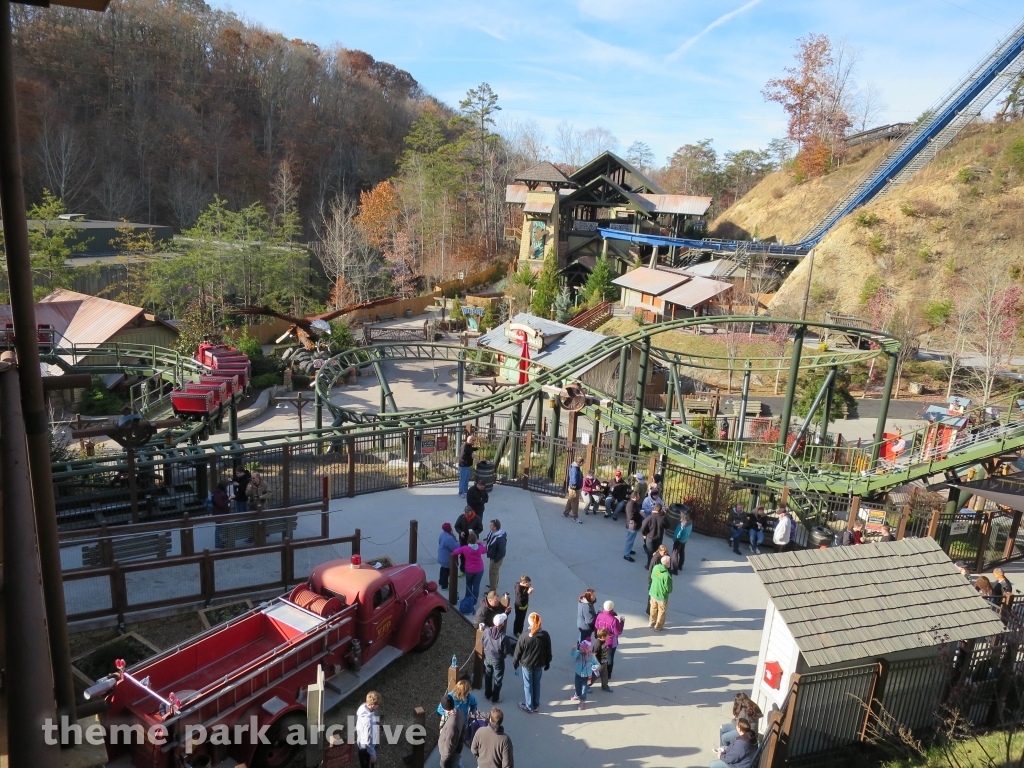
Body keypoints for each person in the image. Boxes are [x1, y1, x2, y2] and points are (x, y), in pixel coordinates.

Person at [513, 612, 552, 714]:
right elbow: (548, 651)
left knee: (528, 685)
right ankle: (536, 705)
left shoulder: (524, 636)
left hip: (527, 664)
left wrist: (515, 662)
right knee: (536, 683)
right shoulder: (545, 635)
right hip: (539, 663)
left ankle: (529, 706)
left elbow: (518, 651)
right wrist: (548, 662)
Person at [482, 614, 514, 703]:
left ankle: (487, 695)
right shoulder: (504, 637)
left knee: (488, 676)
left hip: (488, 657)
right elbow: (506, 651)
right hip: (498, 660)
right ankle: (495, 698)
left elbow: (482, 642)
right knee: (498, 679)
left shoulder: (487, 630)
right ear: (502, 624)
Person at [594, 600, 624, 682]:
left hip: (600, 640)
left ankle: (599, 672)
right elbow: (618, 632)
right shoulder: (614, 620)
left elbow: (596, 626)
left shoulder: (599, 616)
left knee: (600, 656)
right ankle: (608, 674)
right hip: (611, 642)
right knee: (610, 658)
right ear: (612, 609)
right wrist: (622, 622)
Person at [453, 532, 485, 601]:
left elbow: (455, 552)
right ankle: (474, 601)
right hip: (479, 569)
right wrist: (480, 543)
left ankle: (467, 599)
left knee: (469, 584)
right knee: (476, 585)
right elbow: (485, 550)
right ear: (476, 540)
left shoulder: (465, 548)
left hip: (469, 570)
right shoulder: (479, 548)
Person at [438, 694, 466, 768]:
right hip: (457, 748)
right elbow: (463, 730)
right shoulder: (460, 712)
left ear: (444, 708)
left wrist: (443, 760)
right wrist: (460, 747)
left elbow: (449, 745)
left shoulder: (451, 725)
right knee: (456, 763)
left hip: (450, 755)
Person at [454, 506, 484, 574]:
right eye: (465, 512)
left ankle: (472, 569)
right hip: (463, 539)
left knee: (473, 554)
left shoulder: (477, 518)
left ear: (471, 511)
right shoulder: (461, 517)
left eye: (467, 512)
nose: (466, 514)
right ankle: (462, 570)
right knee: (462, 555)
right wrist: (460, 532)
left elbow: (480, 528)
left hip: (473, 539)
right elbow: (456, 526)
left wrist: (474, 532)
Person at [355, 690, 381, 767]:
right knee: (366, 765)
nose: (378, 706)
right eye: (378, 704)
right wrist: (373, 755)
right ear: (373, 705)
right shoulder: (369, 722)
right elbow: (368, 741)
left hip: (360, 741)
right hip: (366, 749)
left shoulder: (362, 707)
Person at [570, 638, 597, 710]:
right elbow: (573, 655)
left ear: (586, 649)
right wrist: (573, 650)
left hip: (586, 676)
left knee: (583, 689)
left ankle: (582, 702)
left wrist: (593, 668)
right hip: (578, 674)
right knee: (577, 686)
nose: (580, 648)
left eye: (582, 647)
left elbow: (597, 664)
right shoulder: (578, 653)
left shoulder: (591, 656)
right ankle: (577, 694)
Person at [649, 555, 673, 631]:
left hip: (653, 592)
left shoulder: (656, 567)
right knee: (661, 612)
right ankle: (658, 626)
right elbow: (669, 588)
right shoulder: (667, 576)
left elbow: (652, 576)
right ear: (668, 564)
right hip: (662, 596)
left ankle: (652, 622)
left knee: (653, 608)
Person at [640, 503, 668, 568]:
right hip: (659, 538)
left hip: (650, 538)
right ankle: (655, 564)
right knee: (657, 552)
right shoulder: (663, 518)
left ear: (654, 509)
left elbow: (643, 526)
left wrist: (644, 534)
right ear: (661, 509)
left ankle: (649, 565)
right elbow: (667, 526)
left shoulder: (650, 517)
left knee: (650, 552)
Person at [645, 544, 669, 616]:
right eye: (664, 552)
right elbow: (651, 571)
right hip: (653, 581)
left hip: (656, 580)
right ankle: (649, 611)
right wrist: (650, 581)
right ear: (660, 551)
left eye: (666, 552)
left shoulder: (663, 557)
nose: (666, 554)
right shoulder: (655, 559)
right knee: (651, 597)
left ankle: (652, 611)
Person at [485, 519, 507, 592]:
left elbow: (502, 552)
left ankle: (492, 590)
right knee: (495, 572)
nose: (489, 526)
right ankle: (493, 585)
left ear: (495, 527)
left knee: (493, 573)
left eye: (491, 525)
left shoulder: (501, 539)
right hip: (493, 556)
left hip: (496, 558)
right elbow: (489, 539)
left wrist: (495, 560)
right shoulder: (492, 532)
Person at [437, 522, 458, 591]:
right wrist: (460, 544)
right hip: (447, 558)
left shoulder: (442, 534)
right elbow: (455, 548)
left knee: (442, 569)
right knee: (446, 571)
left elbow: (439, 541)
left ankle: (440, 581)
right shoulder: (449, 538)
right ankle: (444, 585)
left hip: (441, 556)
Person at [671, 509, 693, 574]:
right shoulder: (690, 522)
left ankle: (675, 569)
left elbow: (677, 535)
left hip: (679, 541)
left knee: (674, 554)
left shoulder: (681, 525)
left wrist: (674, 539)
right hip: (685, 540)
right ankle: (680, 566)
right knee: (682, 552)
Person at [623, 492, 643, 562]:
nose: (639, 498)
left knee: (632, 539)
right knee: (630, 540)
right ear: (634, 497)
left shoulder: (634, 503)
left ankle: (629, 550)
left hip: (635, 524)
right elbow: (631, 516)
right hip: (632, 525)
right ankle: (626, 555)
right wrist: (640, 514)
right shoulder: (630, 505)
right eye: (638, 496)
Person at [593, 628, 612, 692]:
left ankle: (605, 686)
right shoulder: (597, 644)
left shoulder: (603, 641)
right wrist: (597, 663)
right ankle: (587, 685)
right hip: (599, 663)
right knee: (594, 676)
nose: (609, 636)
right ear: (603, 637)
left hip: (604, 662)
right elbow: (593, 654)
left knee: (605, 674)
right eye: (607, 635)